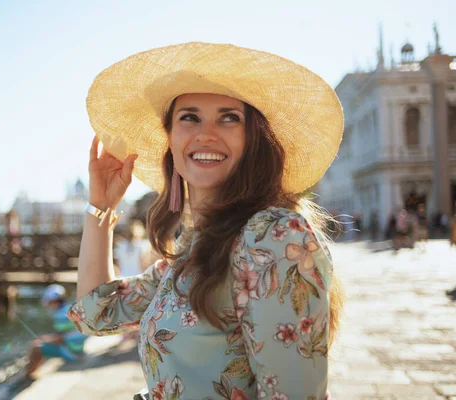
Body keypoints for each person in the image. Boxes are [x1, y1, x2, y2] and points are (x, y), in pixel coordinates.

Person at [67, 42, 344, 399]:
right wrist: (100, 207)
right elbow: (95, 313)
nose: (206, 133)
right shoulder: (195, 248)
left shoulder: (271, 237)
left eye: (229, 118)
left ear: (252, 139)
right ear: (171, 139)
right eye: (190, 117)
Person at [24, 284, 87, 379]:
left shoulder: (61, 315)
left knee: (36, 347)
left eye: (48, 301)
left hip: (72, 353)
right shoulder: (69, 308)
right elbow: (65, 334)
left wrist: (44, 340)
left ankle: (28, 375)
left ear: (53, 301)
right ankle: (32, 371)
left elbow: (59, 339)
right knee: (41, 344)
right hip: (78, 349)